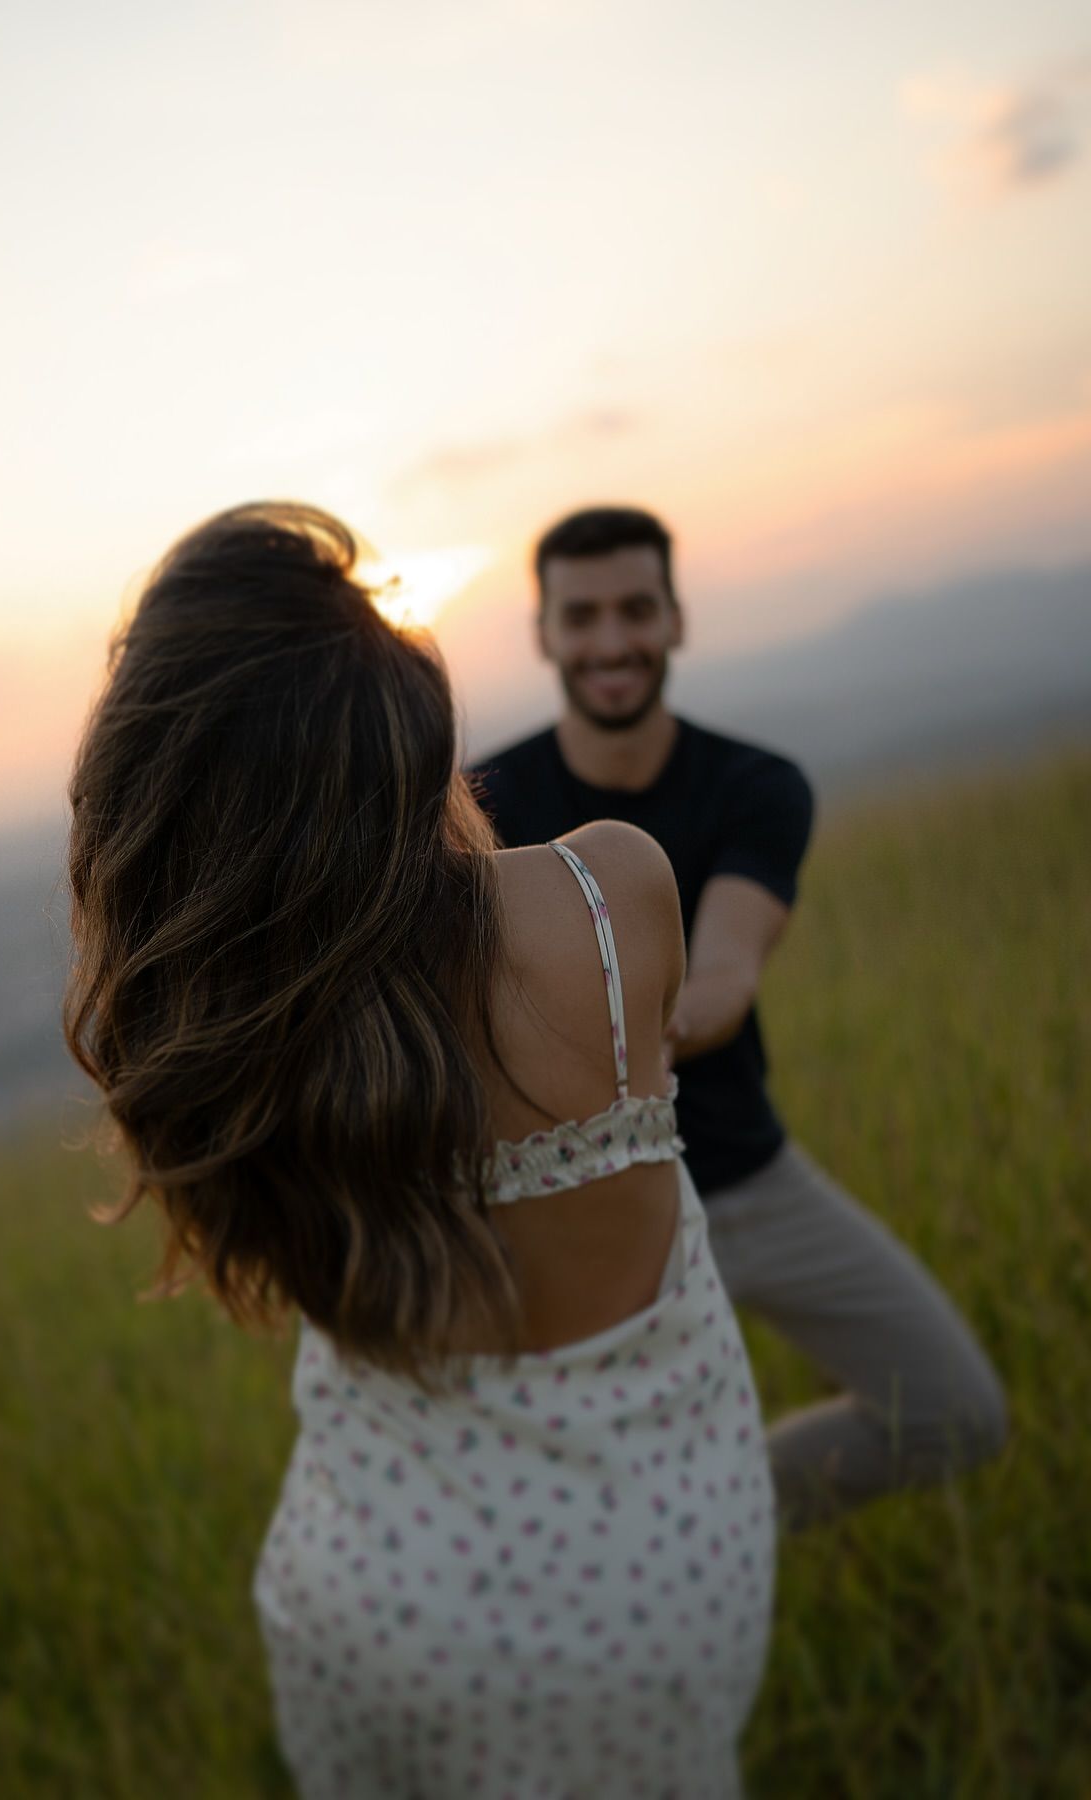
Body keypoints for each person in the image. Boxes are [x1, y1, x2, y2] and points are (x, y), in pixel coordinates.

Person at [65, 503, 774, 1798]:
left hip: (379, 1600)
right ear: (403, 708)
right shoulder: (612, 894)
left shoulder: (236, 1027)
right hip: (662, 1572)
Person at [473, 505, 1007, 1528]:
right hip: (564, 1220)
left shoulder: (756, 786)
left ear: (676, 619)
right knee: (530, 1495)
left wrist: (642, 1030)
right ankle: (621, 1558)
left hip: (744, 1174)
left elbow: (721, 977)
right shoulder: (479, 809)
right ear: (544, 634)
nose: (612, 642)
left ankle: (699, 1518)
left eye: (637, 610)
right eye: (581, 617)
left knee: (955, 1410)